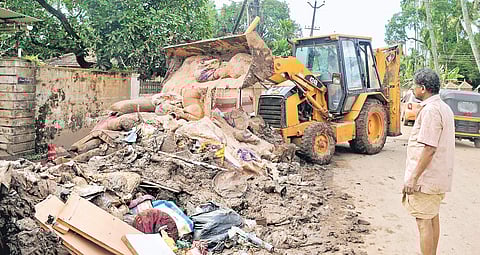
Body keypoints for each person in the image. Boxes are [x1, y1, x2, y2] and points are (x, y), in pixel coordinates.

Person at [402, 68, 455, 255]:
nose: (413, 89)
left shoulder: (431, 111)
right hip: (437, 177)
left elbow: (429, 148)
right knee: (432, 217)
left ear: (422, 88)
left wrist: (413, 178)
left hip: (426, 179)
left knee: (423, 221)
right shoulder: (444, 108)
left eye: (415, 86)